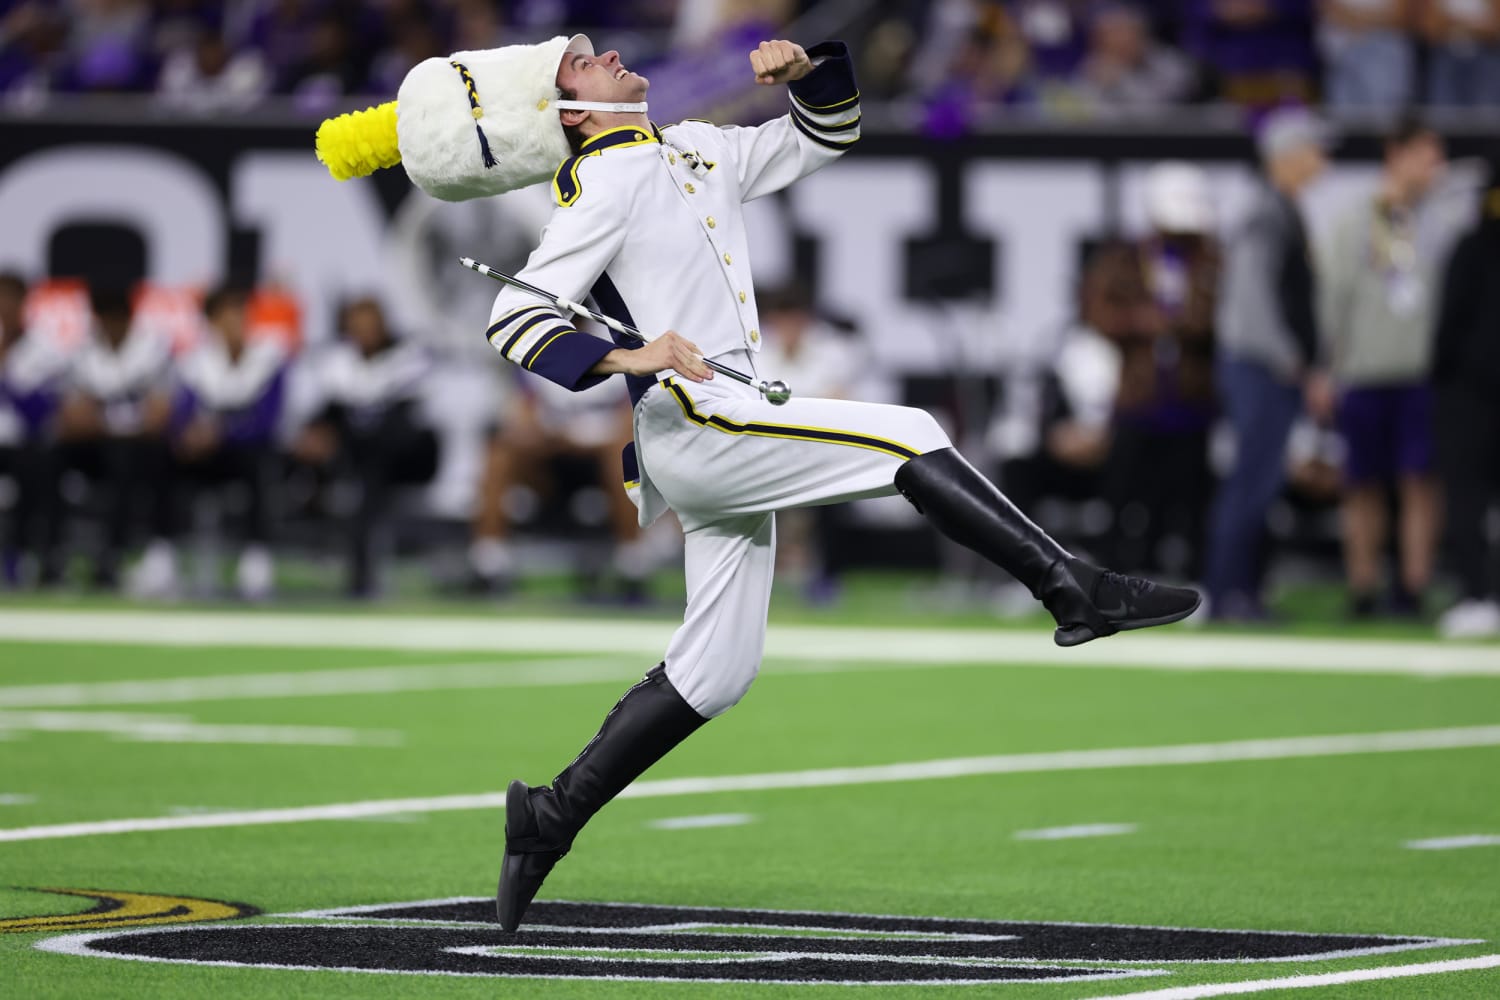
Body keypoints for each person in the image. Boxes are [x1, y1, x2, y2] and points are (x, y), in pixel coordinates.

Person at [315, 32, 1200, 934]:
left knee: (719, 669)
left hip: (723, 424)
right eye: (581, 60)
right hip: (698, 422)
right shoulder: (600, 183)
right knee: (910, 432)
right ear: (570, 113)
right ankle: (1072, 587)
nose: (609, 51)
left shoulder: (693, 145)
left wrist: (811, 75)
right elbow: (514, 315)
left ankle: (549, 818)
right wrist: (633, 351)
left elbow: (822, 139)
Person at [1318, 115, 1448, 617]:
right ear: (1397, 155)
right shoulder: (1354, 221)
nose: (1435, 166)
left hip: (1421, 373)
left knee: (1421, 483)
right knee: (1361, 484)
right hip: (1363, 372)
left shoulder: (1441, 221)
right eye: (1427, 154)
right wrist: (1325, 369)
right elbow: (1333, 300)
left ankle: (1413, 587)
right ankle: (1364, 587)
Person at [1205, 107, 1329, 621]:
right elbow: (1251, 304)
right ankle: (1227, 594)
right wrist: (1291, 360)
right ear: (1288, 156)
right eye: (1314, 149)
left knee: (1261, 481)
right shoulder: (1266, 212)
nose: (1322, 160)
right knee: (1252, 481)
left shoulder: (1281, 209)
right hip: (1260, 366)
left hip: (1264, 365)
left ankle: (1243, 591)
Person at [1080, 162, 1219, 577]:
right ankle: (1114, 577)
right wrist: (1141, 322)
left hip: (1192, 401)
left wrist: (1182, 324)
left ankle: (1188, 580)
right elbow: (1098, 311)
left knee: (1188, 501)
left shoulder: (1211, 259)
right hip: (1137, 400)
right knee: (1124, 497)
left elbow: (1224, 317)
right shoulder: (1124, 259)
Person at [132, 285, 287, 601]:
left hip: (244, 456)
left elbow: (267, 421)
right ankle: (161, 556)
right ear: (211, 322)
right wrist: (187, 435)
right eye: (224, 316)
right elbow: (182, 413)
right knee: (161, 455)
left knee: (261, 461)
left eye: (239, 314)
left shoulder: (269, 358)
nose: (233, 322)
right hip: (205, 457)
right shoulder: (195, 362)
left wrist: (222, 433)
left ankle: (255, 561)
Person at [291, 296, 439, 598]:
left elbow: (404, 423)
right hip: (357, 457)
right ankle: (311, 527)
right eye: (357, 327)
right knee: (312, 454)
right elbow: (330, 411)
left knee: (369, 469)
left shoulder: (408, 358)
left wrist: (342, 439)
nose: (364, 333)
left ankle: (361, 574)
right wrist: (315, 434)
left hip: (407, 458)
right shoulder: (340, 361)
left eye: (370, 326)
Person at [467, 368, 656, 600]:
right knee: (500, 454)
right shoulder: (535, 343)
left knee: (622, 453)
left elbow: (630, 421)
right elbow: (523, 417)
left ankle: (632, 565)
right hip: (550, 456)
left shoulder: (622, 350)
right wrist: (551, 435)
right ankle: (489, 564)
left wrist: (580, 437)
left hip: (601, 459)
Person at [49, 283, 174, 588]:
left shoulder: (152, 351)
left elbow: (158, 417)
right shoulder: (82, 354)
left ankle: (112, 556)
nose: (111, 325)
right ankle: (50, 555)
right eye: (105, 318)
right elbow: (71, 418)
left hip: (140, 452)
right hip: (95, 447)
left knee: (132, 460)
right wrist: (123, 419)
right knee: (48, 457)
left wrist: (103, 416)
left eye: (117, 318)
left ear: (130, 319)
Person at [1431, 150, 1500, 638]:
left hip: (1471, 392)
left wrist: (1442, 378)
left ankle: (1477, 593)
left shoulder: (1473, 244)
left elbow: (1449, 324)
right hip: (1472, 392)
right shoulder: (1471, 244)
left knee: (1467, 498)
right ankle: (1478, 592)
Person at [0, 272, 68, 586]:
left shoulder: (42, 350)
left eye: (10, 298)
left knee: (41, 464)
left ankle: (27, 556)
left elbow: (41, 414)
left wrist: (5, 370)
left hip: (22, 446)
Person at [1316, 0, 1414, 111]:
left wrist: (1358, 19)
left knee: (1383, 119)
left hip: (1382, 54)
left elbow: (1406, 13)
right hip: (1337, 56)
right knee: (1342, 120)